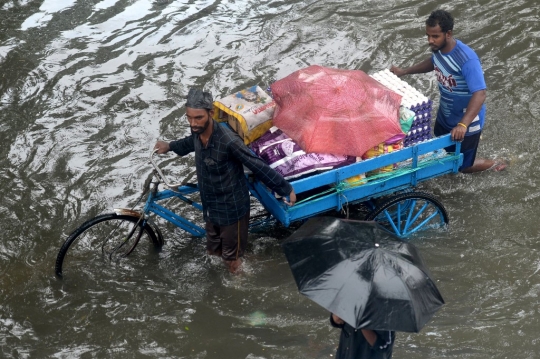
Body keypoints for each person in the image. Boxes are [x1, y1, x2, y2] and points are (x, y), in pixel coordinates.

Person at [154, 88, 296, 274]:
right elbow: (189, 142)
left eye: (198, 118)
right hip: (211, 206)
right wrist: (170, 146)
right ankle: (237, 263)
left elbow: (256, 165)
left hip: (231, 209)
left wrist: (285, 188)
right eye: (189, 118)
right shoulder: (198, 132)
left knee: (232, 261)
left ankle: (240, 286)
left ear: (211, 114)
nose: (193, 123)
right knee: (213, 253)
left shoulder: (228, 141)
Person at [390, 9, 506, 173]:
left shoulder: (467, 59)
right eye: (428, 36)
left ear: (448, 34)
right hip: (446, 115)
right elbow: (434, 62)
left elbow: (480, 93)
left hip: (466, 121)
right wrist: (405, 71)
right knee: (442, 151)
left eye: (435, 36)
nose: (430, 40)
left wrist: (463, 125)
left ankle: (497, 163)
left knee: (463, 166)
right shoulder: (438, 51)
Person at [330, 313, 395, 359]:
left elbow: (383, 346)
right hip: (346, 352)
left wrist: (361, 323)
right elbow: (339, 322)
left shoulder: (385, 309)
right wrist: (335, 318)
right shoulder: (349, 297)